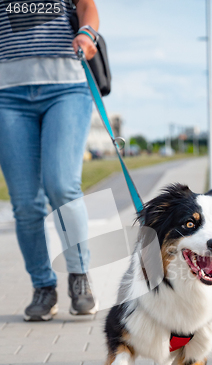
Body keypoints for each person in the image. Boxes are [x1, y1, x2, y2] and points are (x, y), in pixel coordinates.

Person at [0, 0, 99, 320]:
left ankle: (80, 276)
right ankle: (43, 287)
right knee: (25, 202)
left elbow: (86, 5)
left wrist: (86, 34)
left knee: (61, 184)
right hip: (6, 93)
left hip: (66, 87)